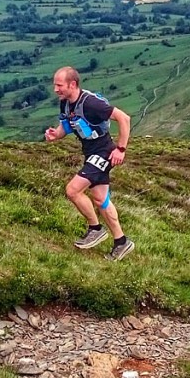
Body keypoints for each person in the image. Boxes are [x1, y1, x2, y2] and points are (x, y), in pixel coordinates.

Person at [44, 66, 134, 261]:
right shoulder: (66, 103)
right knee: (101, 199)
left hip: (103, 152)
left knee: (73, 190)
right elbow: (65, 126)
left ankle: (95, 229)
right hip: (91, 153)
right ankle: (121, 242)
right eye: (55, 85)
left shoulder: (91, 103)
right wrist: (55, 135)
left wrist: (120, 149)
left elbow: (124, 118)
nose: (56, 90)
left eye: (59, 85)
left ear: (72, 84)